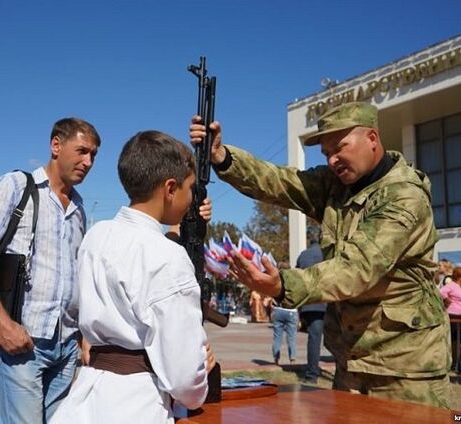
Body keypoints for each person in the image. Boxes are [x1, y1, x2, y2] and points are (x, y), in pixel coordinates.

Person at [190, 101, 450, 407]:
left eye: (340, 147)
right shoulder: (335, 185)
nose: (332, 160)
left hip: (407, 371)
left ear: (372, 139)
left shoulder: (404, 196)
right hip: (351, 361)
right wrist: (222, 158)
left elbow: (356, 268)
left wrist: (282, 286)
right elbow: (279, 182)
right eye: (326, 153)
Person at [50, 130, 214, 424]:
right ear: (170, 189)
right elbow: (183, 378)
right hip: (138, 403)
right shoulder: (167, 256)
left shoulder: (96, 236)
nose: (192, 198)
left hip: (87, 395)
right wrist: (199, 378)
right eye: (191, 188)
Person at [0, 117, 101, 424]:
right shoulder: (17, 186)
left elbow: (75, 277)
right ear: (55, 145)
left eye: (93, 155)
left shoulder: (79, 209)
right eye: (81, 151)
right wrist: (3, 327)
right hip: (24, 341)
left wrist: (83, 335)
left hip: (66, 345)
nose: (88, 161)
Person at [295, 231, 326, 384]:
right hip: (328, 301)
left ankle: (312, 374)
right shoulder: (327, 254)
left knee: (314, 339)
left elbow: (296, 279)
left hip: (310, 304)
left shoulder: (303, 255)